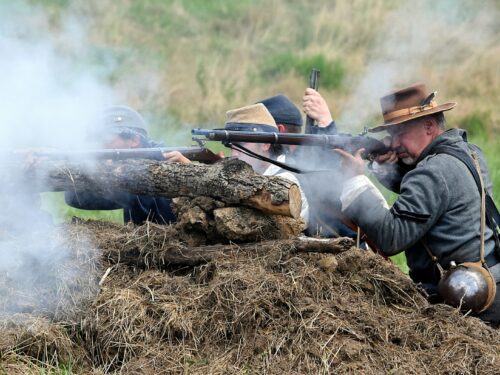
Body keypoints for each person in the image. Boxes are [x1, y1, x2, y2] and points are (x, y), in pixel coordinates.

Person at [334, 83, 500, 325]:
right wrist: (388, 166)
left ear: (429, 126)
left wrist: (354, 181)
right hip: (488, 282)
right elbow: (433, 199)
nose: (393, 143)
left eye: (401, 133)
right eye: (391, 135)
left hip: (467, 304)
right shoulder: (468, 152)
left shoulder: (432, 172)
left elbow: (391, 238)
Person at [65, 105, 189, 225]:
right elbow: (76, 199)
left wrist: (188, 167)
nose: (103, 147)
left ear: (134, 140)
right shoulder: (121, 171)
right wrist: (94, 172)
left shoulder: (169, 161)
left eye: (107, 141)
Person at [224, 103, 309, 227]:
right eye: (231, 145)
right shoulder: (257, 172)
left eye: (240, 144)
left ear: (265, 144)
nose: (234, 154)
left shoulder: (286, 180)